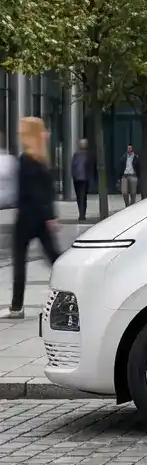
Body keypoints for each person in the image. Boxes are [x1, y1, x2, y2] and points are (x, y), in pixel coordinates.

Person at [4, 117, 60, 320]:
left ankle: (16, 307)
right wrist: (50, 216)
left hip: (27, 217)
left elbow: (31, 192)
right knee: (54, 258)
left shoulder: (26, 159)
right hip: (40, 218)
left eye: (21, 130)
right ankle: (74, 291)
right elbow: (47, 191)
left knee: (20, 262)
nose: (19, 133)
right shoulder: (42, 159)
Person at [70, 138, 91, 222]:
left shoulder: (89, 155)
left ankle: (82, 214)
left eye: (84, 143)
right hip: (77, 179)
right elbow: (73, 165)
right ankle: (81, 213)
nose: (82, 145)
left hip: (85, 179)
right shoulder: (76, 155)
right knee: (79, 197)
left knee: (83, 197)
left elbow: (91, 167)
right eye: (81, 144)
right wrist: (73, 175)